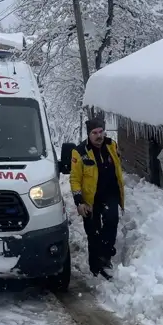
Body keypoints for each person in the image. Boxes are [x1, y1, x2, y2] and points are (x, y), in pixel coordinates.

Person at [70, 117, 125, 280]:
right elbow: (74, 179)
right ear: (89, 134)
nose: (99, 135)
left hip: (110, 194)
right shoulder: (79, 152)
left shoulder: (111, 145)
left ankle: (105, 257)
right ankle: (95, 268)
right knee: (93, 233)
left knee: (111, 221)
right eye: (95, 133)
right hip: (90, 199)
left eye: (101, 132)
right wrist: (79, 201)